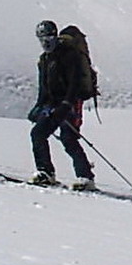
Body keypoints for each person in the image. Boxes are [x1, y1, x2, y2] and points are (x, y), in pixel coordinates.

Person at [28, 21, 99, 189]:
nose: (45, 42)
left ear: (55, 36)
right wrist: (38, 107)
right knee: (38, 133)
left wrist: (66, 105)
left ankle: (85, 177)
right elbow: (44, 86)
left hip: (71, 102)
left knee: (69, 138)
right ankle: (45, 172)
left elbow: (74, 83)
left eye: (48, 38)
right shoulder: (44, 60)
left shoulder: (69, 56)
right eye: (42, 39)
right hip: (53, 104)